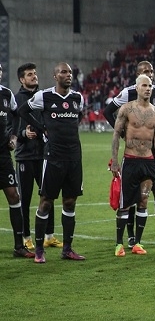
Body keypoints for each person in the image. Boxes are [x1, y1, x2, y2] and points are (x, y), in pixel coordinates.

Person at [18, 62, 86, 263]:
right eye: (64, 72)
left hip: (74, 157)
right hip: (53, 157)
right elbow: (23, 111)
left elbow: (78, 117)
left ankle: (67, 249)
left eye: (70, 73)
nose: (68, 75)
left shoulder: (77, 98)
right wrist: (41, 128)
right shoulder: (44, 96)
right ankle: (39, 249)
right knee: (46, 202)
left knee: (70, 201)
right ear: (55, 76)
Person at [103, 61, 155, 248]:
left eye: (151, 72)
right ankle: (129, 238)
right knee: (130, 199)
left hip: (150, 155)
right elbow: (108, 111)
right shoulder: (127, 96)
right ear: (136, 80)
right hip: (132, 154)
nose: (149, 76)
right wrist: (123, 135)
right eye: (145, 73)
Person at [110, 74, 155, 257]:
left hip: (149, 162)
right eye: (144, 85)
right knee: (124, 204)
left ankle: (138, 243)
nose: (148, 88)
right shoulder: (126, 109)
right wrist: (115, 161)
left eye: (150, 86)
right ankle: (119, 244)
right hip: (130, 160)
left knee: (143, 201)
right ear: (136, 88)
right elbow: (116, 134)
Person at [14, 63, 62, 251]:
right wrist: (23, 134)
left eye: (34, 73)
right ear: (21, 79)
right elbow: (10, 127)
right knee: (24, 199)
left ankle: (49, 235)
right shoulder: (17, 99)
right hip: (25, 156)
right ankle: (26, 236)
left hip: (44, 155)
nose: (34, 76)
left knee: (48, 195)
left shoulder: (43, 97)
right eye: (29, 74)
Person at [0, 63, 34, 258]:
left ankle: (19, 246)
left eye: (0, 69)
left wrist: (13, 136)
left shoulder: (6, 94)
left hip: (3, 156)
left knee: (14, 196)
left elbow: (16, 114)